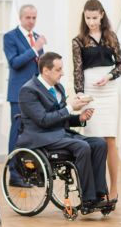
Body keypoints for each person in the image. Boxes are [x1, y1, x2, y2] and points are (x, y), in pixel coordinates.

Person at [17, 52, 110, 212]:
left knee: (100, 143)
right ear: (46, 70)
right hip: (41, 138)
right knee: (82, 147)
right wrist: (70, 107)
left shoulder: (58, 87)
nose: (63, 73)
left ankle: (100, 194)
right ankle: (88, 199)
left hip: (61, 134)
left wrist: (79, 118)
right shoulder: (28, 91)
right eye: (58, 70)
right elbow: (43, 120)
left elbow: (61, 119)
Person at [71, 0, 121, 205]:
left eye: (94, 17)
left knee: (110, 139)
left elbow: (120, 65)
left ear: (102, 15)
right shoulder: (78, 40)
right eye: (88, 18)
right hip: (90, 92)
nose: (91, 22)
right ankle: (97, 189)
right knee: (94, 141)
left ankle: (114, 188)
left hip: (109, 91)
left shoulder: (111, 37)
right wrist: (80, 94)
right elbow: (77, 70)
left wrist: (109, 76)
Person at [3, 4, 46, 187]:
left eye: (34, 17)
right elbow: (14, 62)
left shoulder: (36, 37)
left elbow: (39, 66)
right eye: (28, 17)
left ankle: (29, 172)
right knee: (17, 132)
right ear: (20, 18)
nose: (31, 21)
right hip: (18, 94)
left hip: (36, 93)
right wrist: (35, 49)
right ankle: (14, 174)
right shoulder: (10, 37)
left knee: (33, 133)